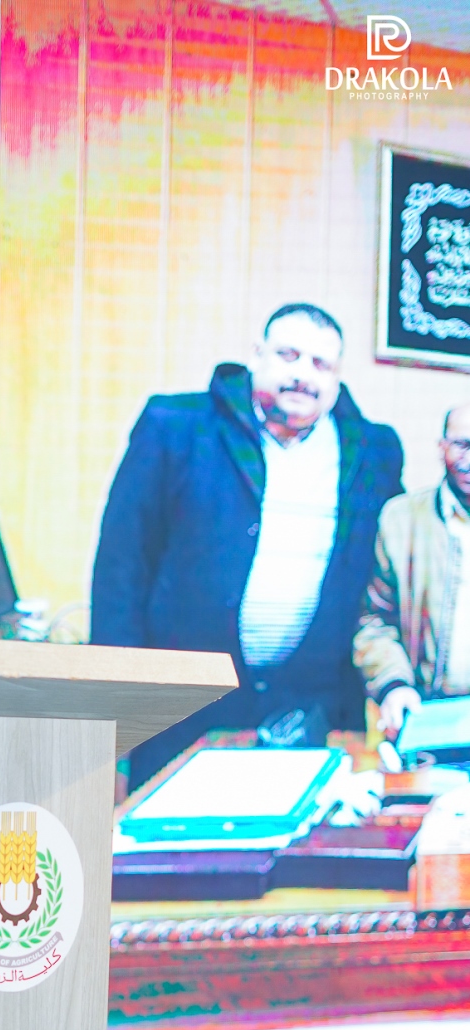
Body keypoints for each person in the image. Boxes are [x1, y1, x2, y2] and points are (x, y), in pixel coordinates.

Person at [90, 304, 404, 787]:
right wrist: (118, 696)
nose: (303, 375)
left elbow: (387, 577)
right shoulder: (176, 425)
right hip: (187, 701)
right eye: (288, 355)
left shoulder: (373, 450)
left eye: (320, 364)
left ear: (337, 378)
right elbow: (121, 565)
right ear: (257, 355)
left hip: (313, 708)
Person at [355, 402, 470, 733]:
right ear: (441, 447)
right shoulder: (400, 519)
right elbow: (374, 620)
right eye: (463, 444)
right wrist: (394, 684)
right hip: (423, 713)